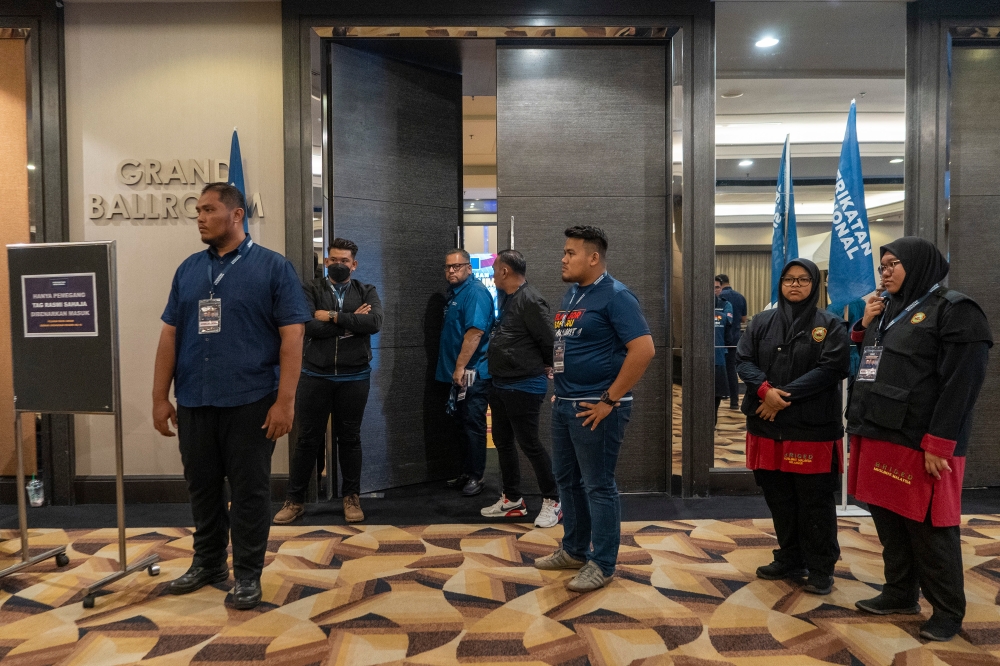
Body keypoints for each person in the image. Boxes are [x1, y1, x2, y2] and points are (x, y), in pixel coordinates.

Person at [152, 183, 311, 610]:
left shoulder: (273, 267)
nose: (200, 218)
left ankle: (247, 574)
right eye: (198, 211)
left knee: (249, 492)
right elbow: (169, 335)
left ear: (236, 214)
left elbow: (293, 336)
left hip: (251, 400)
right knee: (201, 488)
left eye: (208, 210)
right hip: (195, 400)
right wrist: (159, 397)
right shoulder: (188, 270)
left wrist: (285, 401)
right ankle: (208, 563)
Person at [846, 237, 992, 642]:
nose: (885, 272)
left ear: (921, 265)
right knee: (889, 522)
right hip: (878, 428)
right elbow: (872, 360)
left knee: (929, 529)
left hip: (922, 442)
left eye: (893, 264)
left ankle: (947, 611)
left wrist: (939, 443)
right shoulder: (887, 308)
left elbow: (962, 385)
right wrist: (864, 325)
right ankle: (900, 593)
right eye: (882, 266)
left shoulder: (957, 311)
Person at [534, 226, 655, 592]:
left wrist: (609, 400)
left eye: (570, 253)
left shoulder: (616, 296)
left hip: (596, 408)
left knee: (598, 486)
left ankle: (602, 563)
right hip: (565, 403)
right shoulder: (573, 294)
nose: (563, 258)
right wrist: (561, 384)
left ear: (593, 257)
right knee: (567, 480)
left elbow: (643, 350)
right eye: (564, 252)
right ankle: (574, 550)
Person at [736, 259, 850, 596]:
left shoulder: (830, 323)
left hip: (811, 428)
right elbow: (744, 360)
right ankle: (790, 557)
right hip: (767, 427)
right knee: (779, 497)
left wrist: (779, 397)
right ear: (780, 283)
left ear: (814, 284)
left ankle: (821, 567)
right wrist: (764, 391)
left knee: (814, 501)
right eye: (789, 279)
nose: (795, 285)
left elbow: (832, 368)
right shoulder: (761, 321)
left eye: (802, 279)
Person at [273, 238, 383, 525]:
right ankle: (295, 500)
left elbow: (374, 323)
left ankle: (351, 497)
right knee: (307, 439)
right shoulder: (310, 289)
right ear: (326, 261)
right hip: (315, 376)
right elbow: (308, 326)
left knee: (350, 439)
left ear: (353, 264)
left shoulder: (366, 290)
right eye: (333, 259)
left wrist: (333, 316)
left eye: (344, 261)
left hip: (354, 377)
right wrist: (350, 324)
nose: (338, 264)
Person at [482, 249, 561, 528]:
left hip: (524, 385)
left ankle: (553, 500)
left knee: (530, 444)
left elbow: (550, 341)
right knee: (503, 442)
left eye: (494, 270)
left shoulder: (530, 299)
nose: (492, 275)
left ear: (505, 271)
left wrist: (553, 368)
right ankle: (512, 499)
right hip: (501, 383)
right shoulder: (508, 297)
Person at [438, 248, 496, 497]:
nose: (451, 270)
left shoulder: (475, 293)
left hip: (473, 373)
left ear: (469, 268)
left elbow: (475, 333)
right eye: (448, 267)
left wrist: (460, 367)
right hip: (456, 375)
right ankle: (466, 471)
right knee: (461, 425)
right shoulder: (454, 293)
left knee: (473, 424)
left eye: (457, 266)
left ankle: (476, 476)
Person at [716, 274, 748, 409]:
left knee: (717, 369)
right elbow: (744, 319)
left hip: (718, 339)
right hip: (734, 339)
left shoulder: (719, 298)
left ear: (721, 284)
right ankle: (734, 402)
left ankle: (718, 397)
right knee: (731, 370)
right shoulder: (740, 297)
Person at [714, 279, 734, 424]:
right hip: (708, 358)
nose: (715, 290)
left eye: (717, 287)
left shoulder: (726, 305)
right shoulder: (699, 306)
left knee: (716, 394)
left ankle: (711, 422)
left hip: (717, 356)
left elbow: (728, 323)